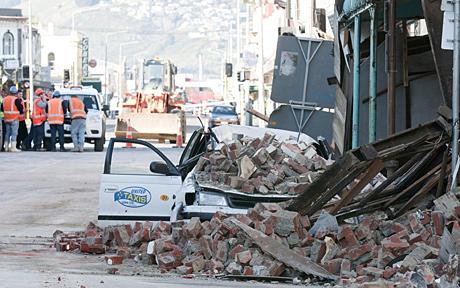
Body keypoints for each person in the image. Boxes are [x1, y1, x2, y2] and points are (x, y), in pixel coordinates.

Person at [1, 86, 23, 152]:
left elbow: (2, 109)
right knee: (14, 133)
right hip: (14, 119)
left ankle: (6, 147)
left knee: (7, 133)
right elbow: (20, 108)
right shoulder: (16, 99)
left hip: (7, 119)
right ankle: (13, 147)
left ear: (10, 92)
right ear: (16, 92)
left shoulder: (4, 99)